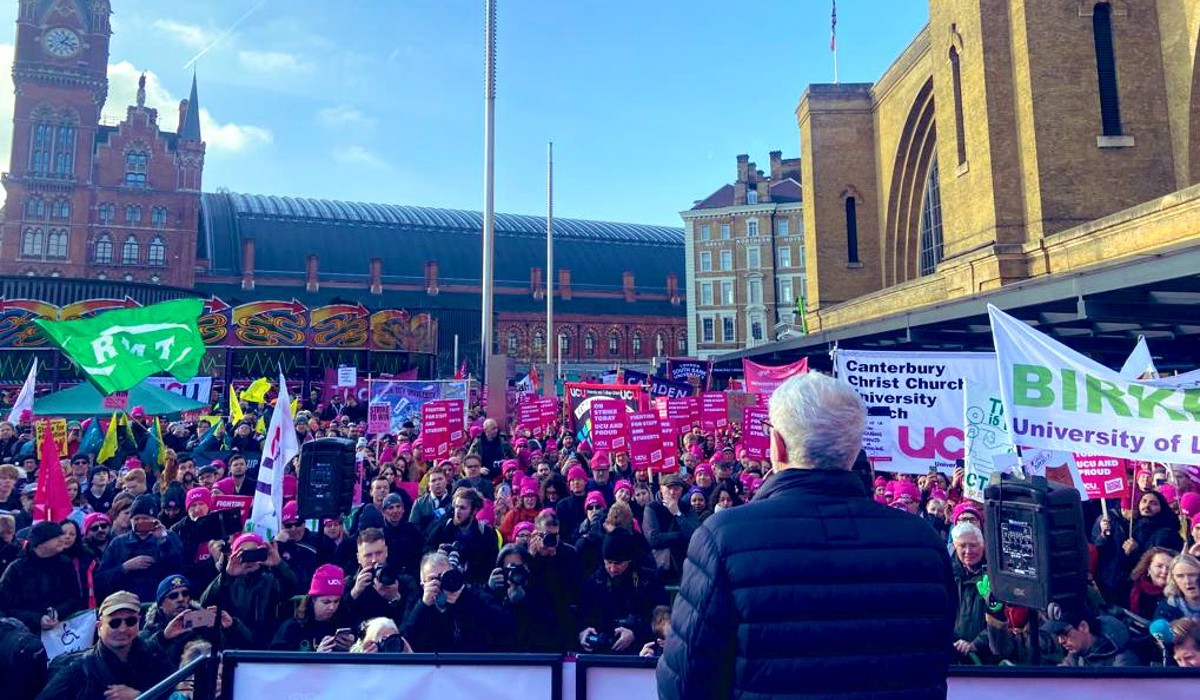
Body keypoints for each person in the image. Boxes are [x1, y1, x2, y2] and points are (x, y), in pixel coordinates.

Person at [657, 371, 957, 699]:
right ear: (855, 448)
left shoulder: (723, 538)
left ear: (778, 444)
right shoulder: (923, 541)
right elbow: (936, 659)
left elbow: (683, 682)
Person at [37, 591, 173, 700]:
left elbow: (178, 693)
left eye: (130, 621)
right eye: (114, 623)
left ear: (138, 623)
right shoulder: (78, 669)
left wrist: (140, 696)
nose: (123, 629)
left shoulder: (154, 655)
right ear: (99, 626)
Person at [198, 533, 296, 649]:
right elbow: (204, 605)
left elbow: (292, 590)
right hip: (233, 645)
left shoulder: (272, 580)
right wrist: (226, 575)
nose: (249, 560)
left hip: (267, 647)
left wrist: (279, 564)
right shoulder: (227, 582)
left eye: (254, 553)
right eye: (244, 554)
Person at [578, 529, 668, 654]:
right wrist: (583, 632)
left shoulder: (649, 581)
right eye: (608, 562)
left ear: (629, 560)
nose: (613, 568)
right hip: (601, 653)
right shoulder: (594, 582)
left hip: (640, 651)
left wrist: (635, 633)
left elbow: (662, 619)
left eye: (618, 563)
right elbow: (582, 614)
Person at [400, 550, 511, 652]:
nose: (441, 583)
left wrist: (465, 598)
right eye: (433, 579)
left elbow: (504, 626)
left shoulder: (472, 595)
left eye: (445, 576)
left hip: (469, 663)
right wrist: (423, 606)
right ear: (423, 584)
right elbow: (404, 642)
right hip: (432, 667)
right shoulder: (416, 602)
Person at [140, 575, 248, 666]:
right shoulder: (149, 634)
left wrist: (232, 627)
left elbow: (244, 650)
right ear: (161, 606)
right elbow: (141, 662)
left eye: (185, 594)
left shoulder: (205, 626)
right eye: (173, 596)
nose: (181, 599)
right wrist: (164, 638)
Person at [95, 494, 185, 603]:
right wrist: (125, 567)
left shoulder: (169, 537)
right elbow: (101, 579)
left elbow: (178, 568)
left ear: (154, 519)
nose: (140, 522)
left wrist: (163, 540)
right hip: (128, 603)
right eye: (136, 519)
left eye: (145, 518)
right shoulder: (118, 543)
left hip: (159, 601)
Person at [0, 521, 84, 634]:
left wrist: (57, 613)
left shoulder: (65, 563)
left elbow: (74, 597)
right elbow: (6, 607)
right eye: (56, 537)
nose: (62, 539)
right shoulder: (16, 569)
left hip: (61, 631)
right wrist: (37, 619)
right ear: (40, 543)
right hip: (25, 634)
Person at [483, 544, 559, 652]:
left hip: (532, 657)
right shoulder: (495, 595)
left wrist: (523, 602)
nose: (515, 572)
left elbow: (547, 632)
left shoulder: (542, 592)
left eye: (519, 568)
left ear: (528, 568)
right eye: (510, 568)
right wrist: (489, 590)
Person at [423, 487, 499, 586]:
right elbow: (425, 550)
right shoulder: (443, 528)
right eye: (456, 507)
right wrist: (435, 554)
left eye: (463, 508)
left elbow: (492, 563)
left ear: (474, 510)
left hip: (474, 584)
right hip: (444, 582)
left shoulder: (486, 533)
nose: (457, 512)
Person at [344, 527, 417, 629]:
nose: (374, 560)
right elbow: (341, 619)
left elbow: (411, 623)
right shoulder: (349, 584)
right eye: (368, 555)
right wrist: (355, 593)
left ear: (386, 552)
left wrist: (395, 599)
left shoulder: (405, 581)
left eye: (379, 553)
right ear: (359, 558)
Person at [272, 564, 356, 651]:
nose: (332, 607)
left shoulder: (345, 623)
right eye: (326, 602)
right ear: (313, 600)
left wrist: (353, 648)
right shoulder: (292, 628)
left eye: (336, 601)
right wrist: (316, 657)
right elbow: (277, 661)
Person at [1043, 601, 1140, 667]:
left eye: (1064, 634)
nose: (1061, 641)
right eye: (1058, 635)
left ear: (1084, 627)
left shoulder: (1123, 660)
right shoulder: (1077, 653)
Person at [643, 473, 700, 585]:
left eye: (676, 489)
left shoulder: (686, 507)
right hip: (661, 566)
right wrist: (680, 536)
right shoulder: (652, 508)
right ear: (661, 488)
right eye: (669, 488)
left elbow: (695, 534)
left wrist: (677, 513)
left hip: (684, 564)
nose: (672, 492)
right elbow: (654, 539)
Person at [378, 493, 422, 577]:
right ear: (384, 511)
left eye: (398, 506)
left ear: (403, 509)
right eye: (391, 507)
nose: (395, 511)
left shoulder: (412, 530)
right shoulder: (380, 534)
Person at [1129, 546, 1177, 620]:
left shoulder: (1176, 598)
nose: (1164, 571)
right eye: (1159, 566)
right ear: (1148, 568)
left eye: (1169, 568)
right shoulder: (1131, 586)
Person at [1154, 553, 1200, 622]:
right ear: (1173, 580)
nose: (1187, 581)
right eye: (1180, 576)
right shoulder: (1166, 608)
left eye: (1192, 575)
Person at [410, 468, 452, 535]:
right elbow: (413, 527)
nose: (437, 483)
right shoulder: (419, 503)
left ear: (446, 481)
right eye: (433, 480)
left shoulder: (454, 502)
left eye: (440, 479)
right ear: (429, 484)